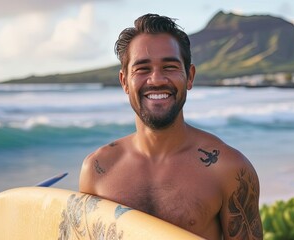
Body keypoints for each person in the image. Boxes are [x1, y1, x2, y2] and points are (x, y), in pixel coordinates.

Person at [79, 13, 263, 239]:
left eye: (170, 67)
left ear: (190, 77)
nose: (156, 79)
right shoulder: (97, 169)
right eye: (142, 69)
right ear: (124, 81)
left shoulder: (229, 169)